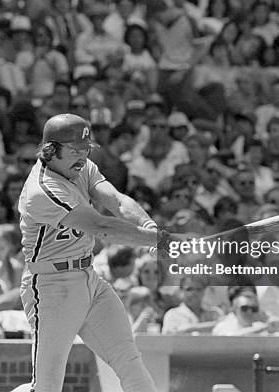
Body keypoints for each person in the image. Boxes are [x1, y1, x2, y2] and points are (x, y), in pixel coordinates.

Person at [18, 114, 180, 391]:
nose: (82, 156)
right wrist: (160, 240)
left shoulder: (82, 167)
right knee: (46, 386)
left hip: (89, 279)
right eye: (74, 150)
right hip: (51, 286)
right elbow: (100, 226)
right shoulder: (41, 190)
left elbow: (116, 200)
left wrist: (150, 228)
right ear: (50, 150)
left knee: (130, 361)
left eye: (85, 149)